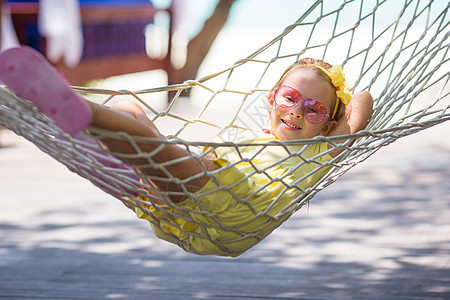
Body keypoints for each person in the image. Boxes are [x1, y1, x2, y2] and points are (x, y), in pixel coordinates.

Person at [0, 46, 373, 256]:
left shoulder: (324, 148)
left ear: (328, 122)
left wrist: (337, 108)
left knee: (156, 151)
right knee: (130, 109)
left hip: (241, 203)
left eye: (314, 108)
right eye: (290, 98)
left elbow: (363, 99)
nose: (296, 111)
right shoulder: (254, 136)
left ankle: (77, 110)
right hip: (187, 210)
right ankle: (103, 154)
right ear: (271, 99)